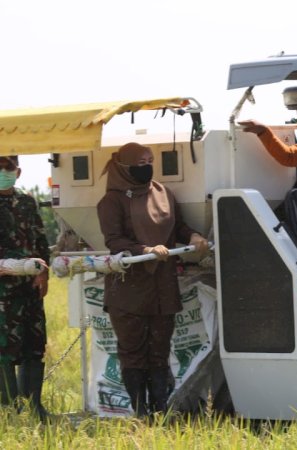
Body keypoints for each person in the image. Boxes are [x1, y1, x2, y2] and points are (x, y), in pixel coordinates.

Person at [97, 143, 208, 417]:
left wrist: (193, 236)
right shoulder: (111, 201)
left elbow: (177, 227)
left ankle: (160, 411)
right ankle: (140, 411)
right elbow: (114, 241)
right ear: (123, 166)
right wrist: (145, 250)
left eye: (150, 160)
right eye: (140, 161)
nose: (147, 166)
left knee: (160, 350)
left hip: (162, 286)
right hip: (128, 290)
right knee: (133, 351)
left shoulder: (163, 193)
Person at [0, 155, 50, 421]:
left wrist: (44, 273)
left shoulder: (27, 201)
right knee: (4, 349)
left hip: (30, 289)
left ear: (18, 171)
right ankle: (9, 412)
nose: (4, 171)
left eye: (8, 167)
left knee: (34, 346)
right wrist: (22, 262)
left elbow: (40, 239)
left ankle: (35, 409)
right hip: (3, 293)